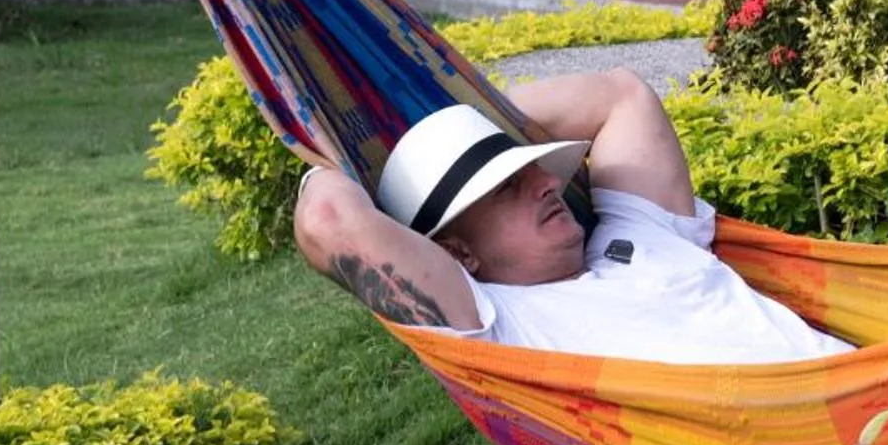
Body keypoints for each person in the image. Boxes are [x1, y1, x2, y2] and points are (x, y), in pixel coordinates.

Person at [292, 68, 852, 364]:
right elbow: (328, 220)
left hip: (886, 396)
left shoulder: (637, 232)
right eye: (508, 188)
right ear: (460, 253)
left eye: (533, 169)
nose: (546, 183)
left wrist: (476, 122)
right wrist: (352, 165)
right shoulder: (497, 323)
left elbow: (622, 96)